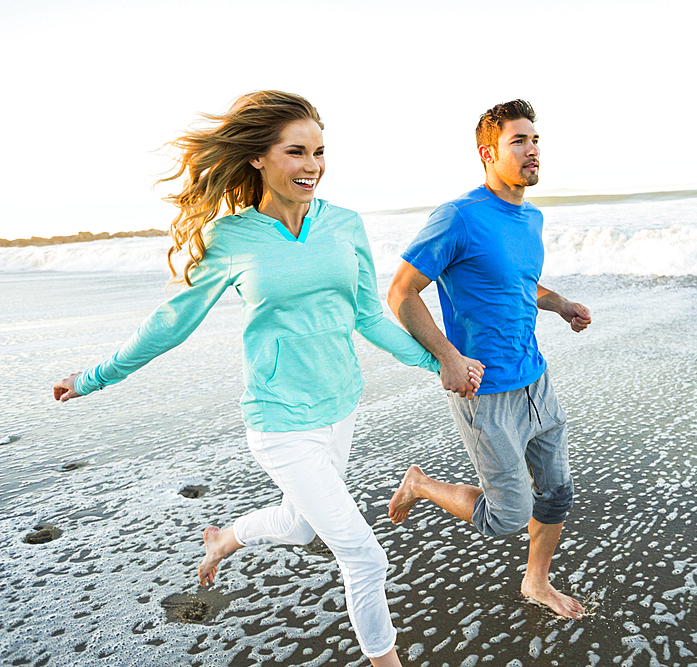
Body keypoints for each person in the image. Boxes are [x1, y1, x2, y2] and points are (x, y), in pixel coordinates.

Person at [51, 91, 480, 667]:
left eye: (320, 152)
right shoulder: (230, 239)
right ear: (258, 157)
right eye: (296, 152)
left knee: (301, 526)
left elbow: (367, 315)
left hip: (340, 406)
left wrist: (440, 360)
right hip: (279, 420)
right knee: (364, 557)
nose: (312, 166)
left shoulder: (344, 225)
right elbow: (171, 323)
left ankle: (225, 537)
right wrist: (96, 377)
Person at [385, 99, 592, 619]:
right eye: (518, 142)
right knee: (506, 517)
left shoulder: (531, 218)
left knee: (557, 494)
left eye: (535, 140)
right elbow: (402, 293)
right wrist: (448, 357)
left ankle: (536, 583)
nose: (532, 150)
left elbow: (518, 283)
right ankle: (421, 484)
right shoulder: (459, 217)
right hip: (486, 393)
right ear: (488, 152)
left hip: (536, 381)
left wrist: (560, 304)